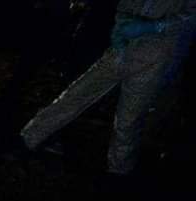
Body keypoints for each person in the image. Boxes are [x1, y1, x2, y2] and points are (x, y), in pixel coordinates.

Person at [20, 0, 196, 174]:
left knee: (128, 119)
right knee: (76, 93)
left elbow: (190, 17)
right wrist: (121, 25)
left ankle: (119, 169)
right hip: (123, 49)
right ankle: (30, 136)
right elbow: (126, 5)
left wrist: (155, 26)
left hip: (156, 59)